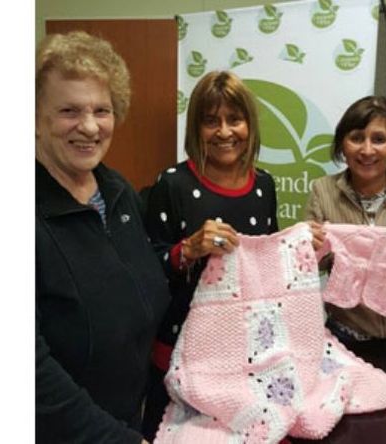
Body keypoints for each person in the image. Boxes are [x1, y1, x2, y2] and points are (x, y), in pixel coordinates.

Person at [35, 31, 170, 443]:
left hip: (132, 418)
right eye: (69, 110)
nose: (90, 126)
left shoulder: (118, 193)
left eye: (102, 110)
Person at [139, 70, 280, 440]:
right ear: (195, 128)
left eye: (234, 119)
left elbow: (266, 266)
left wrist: (303, 247)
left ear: (249, 124)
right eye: (210, 120)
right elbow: (143, 268)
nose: (224, 131)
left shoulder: (264, 185)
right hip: (177, 351)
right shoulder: (172, 184)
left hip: (244, 353)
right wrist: (187, 250)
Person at [305, 95, 386, 373]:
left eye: (379, 139)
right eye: (357, 138)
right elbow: (309, 269)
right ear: (342, 145)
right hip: (347, 337)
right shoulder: (323, 191)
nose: (367, 150)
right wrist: (307, 246)